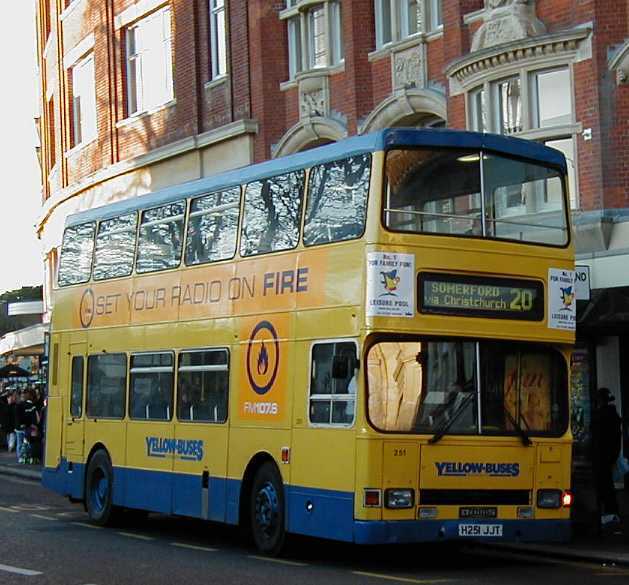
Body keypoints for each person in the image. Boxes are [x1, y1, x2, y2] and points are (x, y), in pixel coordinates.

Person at [592, 387, 623, 530]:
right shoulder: (614, 415)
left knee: (604, 487)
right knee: (608, 486)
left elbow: (596, 437)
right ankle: (610, 514)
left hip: (601, 456)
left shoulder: (601, 415)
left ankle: (608, 515)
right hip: (608, 456)